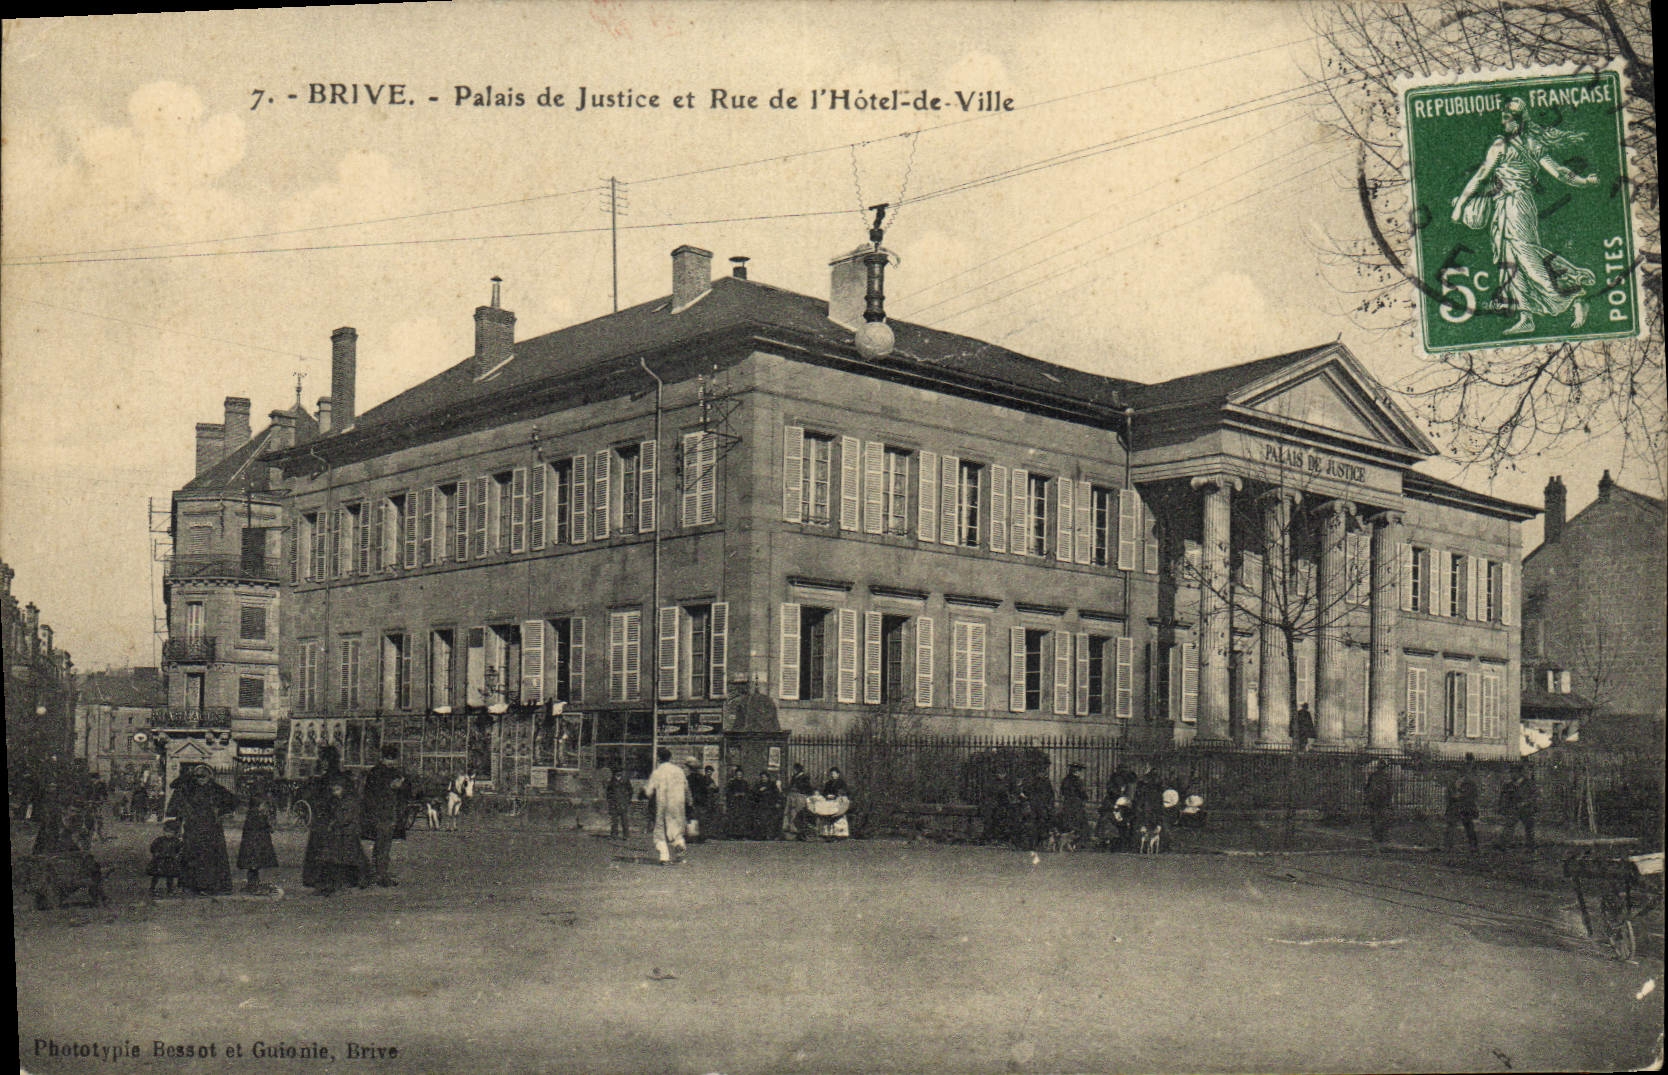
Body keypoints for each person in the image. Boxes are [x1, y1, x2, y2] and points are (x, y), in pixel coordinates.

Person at [1451, 97, 1599, 335]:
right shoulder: (1519, 144)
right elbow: (1483, 176)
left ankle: (1574, 295)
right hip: (1504, 206)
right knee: (1509, 260)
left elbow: (1558, 172)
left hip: (1517, 206)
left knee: (1528, 259)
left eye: (1507, 118)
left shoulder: (1510, 146)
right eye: (1502, 118)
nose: (1503, 123)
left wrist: (1460, 205)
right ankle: (1526, 316)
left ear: (1519, 121)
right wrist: (1584, 181)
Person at [166, 765, 238, 895]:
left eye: (204, 776)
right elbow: (174, 788)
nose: (201, 779)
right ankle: (190, 886)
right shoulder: (189, 789)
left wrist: (221, 812)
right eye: (198, 776)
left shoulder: (216, 789)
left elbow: (233, 801)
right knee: (191, 855)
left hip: (212, 828)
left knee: (211, 857)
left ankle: (211, 886)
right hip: (193, 827)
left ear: (210, 776)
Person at [361, 745, 411, 887]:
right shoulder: (380, 773)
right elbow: (376, 792)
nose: (392, 762)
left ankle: (377, 873)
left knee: (382, 844)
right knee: (383, 845)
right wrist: (393, 787)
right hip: (382, 814)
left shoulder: (379, 772)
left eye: (393, 760)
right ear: (383, 758)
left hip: (385, 813)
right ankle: (381, 875)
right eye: (390, 759)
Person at [313, 773, 370, 895]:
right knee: (339, 859)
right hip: (340, 833)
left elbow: (345, 818)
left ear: (344, 788)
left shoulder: (349, 801)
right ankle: (336, 884)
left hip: (348, 833)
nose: (335, 792)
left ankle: (355, 882)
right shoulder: (336, 800)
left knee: (349, 859)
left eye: (338, 789)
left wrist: (333, 823)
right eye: (333, 790)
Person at [301, 744, 346, 888]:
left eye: (325, 759)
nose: (323, 762)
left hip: (328, 817)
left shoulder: (330, 778)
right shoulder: (329, 777)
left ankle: (321, 879)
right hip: (325, 817)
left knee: (324, 849)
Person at [644, 746, 691, 865]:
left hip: (663, 804)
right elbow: (686, 788)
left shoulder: (657, 772)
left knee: (660, 831)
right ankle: (679, 846)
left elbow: (649, 791)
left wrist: (645, 791)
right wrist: (689, 801)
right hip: (678, 805)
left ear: (659, 758)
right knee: (676, 829)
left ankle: (664, 857)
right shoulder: (679, 771)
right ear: (670, 757)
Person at [237, 782, 279, 892]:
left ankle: (253, 882)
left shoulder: (256, 808)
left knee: (254, 861)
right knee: (254, 860)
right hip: (255, 836)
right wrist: (268, 824)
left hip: (257, 835)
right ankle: (253, 883)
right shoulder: (258, 808)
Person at [1495, 762, 1539, 851]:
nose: (1512, 775)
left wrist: (1525, 803)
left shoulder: (1529, 784)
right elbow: (1503, 797)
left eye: (1514, 772)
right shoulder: (1508, 785)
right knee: (1509, 826)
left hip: (1526, 809)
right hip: (1513, 809)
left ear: (1520, 773)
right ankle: (1504, 844)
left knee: (1529, 828)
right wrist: (1502, 807)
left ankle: (1530, 846)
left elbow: (1534, 796)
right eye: (1511, 772)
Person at [1445, 754, 1481, 854]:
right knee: (1451, 826)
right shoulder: (1453, 782)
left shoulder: (1470, 782)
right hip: (1454, 806)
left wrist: (1461, 796)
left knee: (1469, 826)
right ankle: (1448, 846)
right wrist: (1453, 797)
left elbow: (1473, 794)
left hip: (1465, 806)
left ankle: (1473, 846)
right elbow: (1449, 793)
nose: (1458, 773)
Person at [147, 819, 184, 897]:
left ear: (175, 833)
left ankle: (169, 889)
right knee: (156, 875)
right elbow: (153, 847)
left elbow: (179, 849)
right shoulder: (159, 840)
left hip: (170, 861)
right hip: (160, 860)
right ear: (164, 831)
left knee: (170, 876)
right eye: (167, 831)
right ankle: (152, 888)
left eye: (171, 832)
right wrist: (156, 853)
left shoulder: (176, 841)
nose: (168, 834)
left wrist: (176, 855)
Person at [1057, 763, 1090, 845]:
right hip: (1076, 803)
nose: (1080, 773)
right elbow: (1082, 792)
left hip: (1068, 803)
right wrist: (1085, 797)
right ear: (1077, 771)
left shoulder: (1065, 780)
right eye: (1079, 771)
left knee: (1068, 821)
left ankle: (1068, 841)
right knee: (1079, 821)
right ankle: (1079, 842)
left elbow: (1062, 791)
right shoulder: (1078, 781)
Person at [1363, 759, 1394, 846]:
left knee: (1375, 817)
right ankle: (1380, 836)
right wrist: (1389, 800)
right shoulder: (1387, 777)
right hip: (1382, 800)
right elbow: (1390, 789)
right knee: (1382, 818)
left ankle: (1376, 835)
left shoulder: (1373, 775)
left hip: (1375, 800)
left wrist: (1367, 798)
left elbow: (1367, 787)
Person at [816, 767, 851, 840]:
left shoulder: (842, 783)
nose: (832, 775)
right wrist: (827, 795)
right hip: (829, 803)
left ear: (838, 774)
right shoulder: (828, 783)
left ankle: (840, 834)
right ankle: (827, 834)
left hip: (838, 802)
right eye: (831, 774)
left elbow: (845, 792)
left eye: (834, 774)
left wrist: (836, 795)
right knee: (827, 817)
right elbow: (824, 792)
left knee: (838, 817)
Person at [783, 762, 814, 840]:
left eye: (795, 769)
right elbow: (790, 786)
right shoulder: (794, 777)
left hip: (800, 797)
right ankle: (793, 832)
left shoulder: (805, 777)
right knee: (792, 813)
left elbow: (807, 788)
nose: (794, 771)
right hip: (792, 797)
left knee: (799, 814)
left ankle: (801, 832)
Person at [752, 769, 785, 840]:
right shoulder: (758, 785)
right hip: (762, 805)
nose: (763, 779)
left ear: (768, 777)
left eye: (765, 777)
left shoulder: (772, 785)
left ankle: (770, 835)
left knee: (771, 820)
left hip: (771, 805)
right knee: (762, 820)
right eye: (762, 777)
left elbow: (777, 794)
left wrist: (778, 802)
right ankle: (762, 835)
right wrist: (759, 791)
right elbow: (754, 795)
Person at [605, 767, 634, 839]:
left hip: (623, 802)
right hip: (614, 803)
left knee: (624, 820)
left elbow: (630, 791)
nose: (619, 773)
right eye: (617, 772)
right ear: (614, 773)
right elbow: (608, 792)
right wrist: (610, 801)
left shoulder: (625, 780)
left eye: (620, 771)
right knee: (614, 820)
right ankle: (614, 834)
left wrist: (628, 800)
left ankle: (626, 835)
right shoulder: (612, 781)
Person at [724, 766, 750, 839]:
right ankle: (732, 835)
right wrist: (734, 795)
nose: (739, 776)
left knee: (742, 819)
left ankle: (742, 835)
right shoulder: (731, 782)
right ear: (735, 775)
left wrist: (744, 794)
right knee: (734, 818)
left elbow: (748, 792)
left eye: (740, 775)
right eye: (738, 775)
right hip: (734, 803)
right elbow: (728, 792)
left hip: (742, 803)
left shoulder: (745, 783)